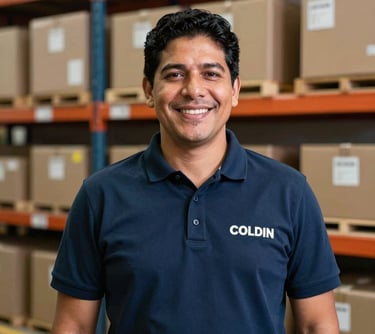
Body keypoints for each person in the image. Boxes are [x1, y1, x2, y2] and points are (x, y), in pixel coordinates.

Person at [51, 8, 340, 334]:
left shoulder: (289, 191)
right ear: (149, 90)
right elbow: (72, 325)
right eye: (175, 74)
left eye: (211, 74)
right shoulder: (100, 195)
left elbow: (318, 324)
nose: (193, 89)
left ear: (235, 89)